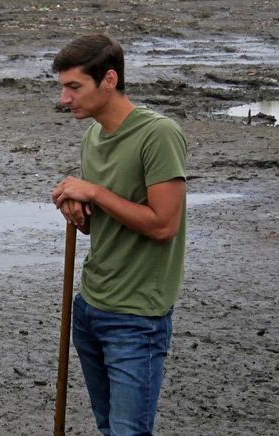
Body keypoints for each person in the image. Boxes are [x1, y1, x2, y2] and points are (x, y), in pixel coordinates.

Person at [50, 33, 187, 436]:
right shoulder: (93, 136)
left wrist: (92, 191)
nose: (64, 98)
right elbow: (100, 222)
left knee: (129, 431)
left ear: (109, 80)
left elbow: (164, 225)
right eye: (63, 87)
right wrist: (75, 207)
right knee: (109, 426)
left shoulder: (158, 134)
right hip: (91, 306)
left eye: (74, 87)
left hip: (137, 316)